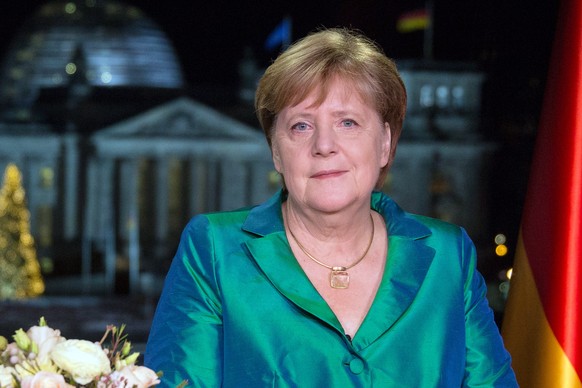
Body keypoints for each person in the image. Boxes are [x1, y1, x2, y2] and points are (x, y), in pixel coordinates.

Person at [145, 27, 517, 387]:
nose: (325, 145)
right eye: (301, 126)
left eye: (348, 122)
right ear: (276, 150)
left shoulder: (448, 253)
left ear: (385, 143)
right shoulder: (213, 248)